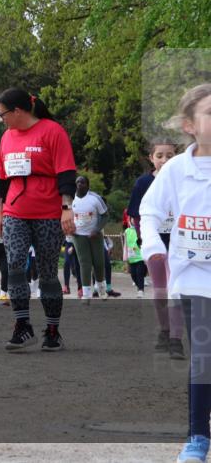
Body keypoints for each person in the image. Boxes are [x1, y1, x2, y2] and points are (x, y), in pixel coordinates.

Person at [138, 83, 211, 463]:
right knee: (204, 355)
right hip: (195, 276)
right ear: (189, 125)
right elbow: (149, 211)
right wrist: (153, 247)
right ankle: (198, 436)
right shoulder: (176, 170)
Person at [0, 88, 77, 352]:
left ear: (17, 111)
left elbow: (66, 172)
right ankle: (22, 327)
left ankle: (52, 330)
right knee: (15, 263)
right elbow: (2, 178)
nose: (1, 120)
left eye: (2, 114)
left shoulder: (52, 131)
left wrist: (66, 207)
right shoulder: (7, 137)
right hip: (15, 211)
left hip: (48, 211)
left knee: (47, 272)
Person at [128, 140, 185, 358]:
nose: (164, 160)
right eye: (159, 156)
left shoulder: (183, 181)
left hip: (179, 242)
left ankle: (176, 340)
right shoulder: (143, 183)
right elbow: (136, 214)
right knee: (160, 291)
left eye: (170, 156)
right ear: (151, 158)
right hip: (155, 243)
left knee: (176, 290)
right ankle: (165, 330)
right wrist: (145, 241)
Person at [70, 175, 109, 303]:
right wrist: (69, 228)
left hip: (95, 235)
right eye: (77, 182)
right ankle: (86, 294)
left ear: (88, 185)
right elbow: (64, 215)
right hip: (78, 235)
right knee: (84, 263)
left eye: (82, 182)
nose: (79, 184)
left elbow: (105, 216)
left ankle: (102, 289)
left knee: (98, 263)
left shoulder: (95, 199)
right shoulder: (70, 199)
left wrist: (97, 229)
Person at [123, 222, 147, 297]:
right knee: (133, 274)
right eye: (132, 218)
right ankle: (139, 287)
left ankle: (141, 290)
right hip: (131, 257)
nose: (134, 220)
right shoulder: (127, 231)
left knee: (140, 273)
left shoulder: (142, 229)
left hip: (141, 257)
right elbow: (125, 245)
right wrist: (125, 257)